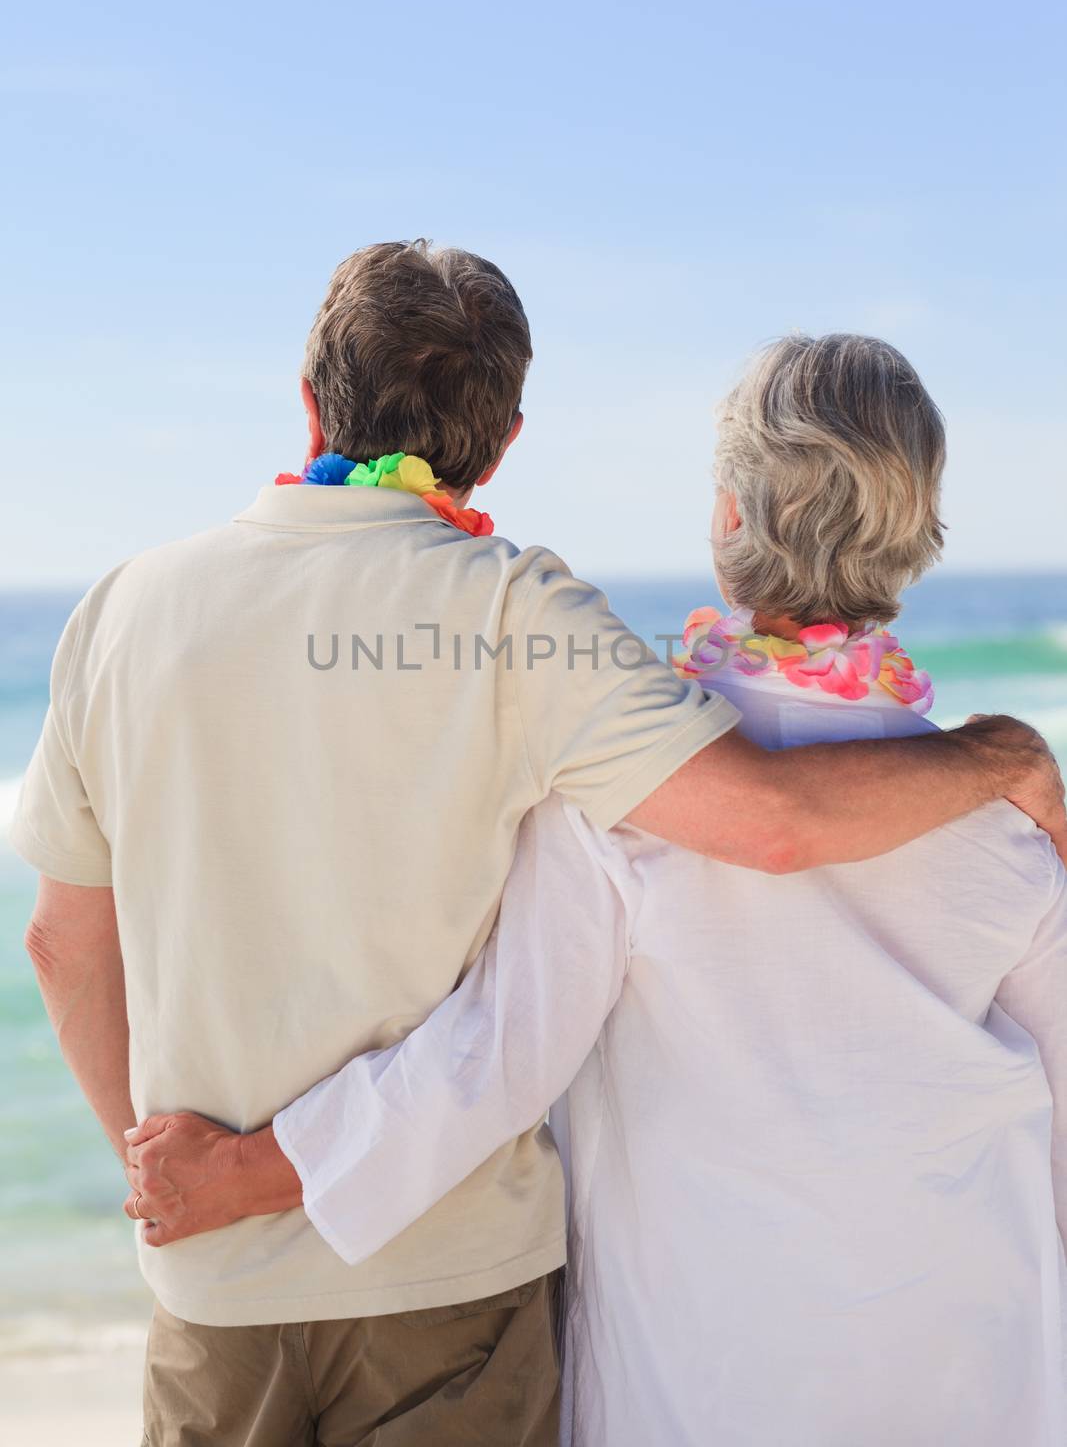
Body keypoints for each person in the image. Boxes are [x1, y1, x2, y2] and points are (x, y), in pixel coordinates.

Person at [15, 252, 1064, 1447]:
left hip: (648, 1359)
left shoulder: (126, 607)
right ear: (504, 438)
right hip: (954, 1353)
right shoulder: (1005, 835)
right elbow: (784, 830)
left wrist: (204, 1180)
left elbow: (497, 1047)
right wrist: (1000, 758)